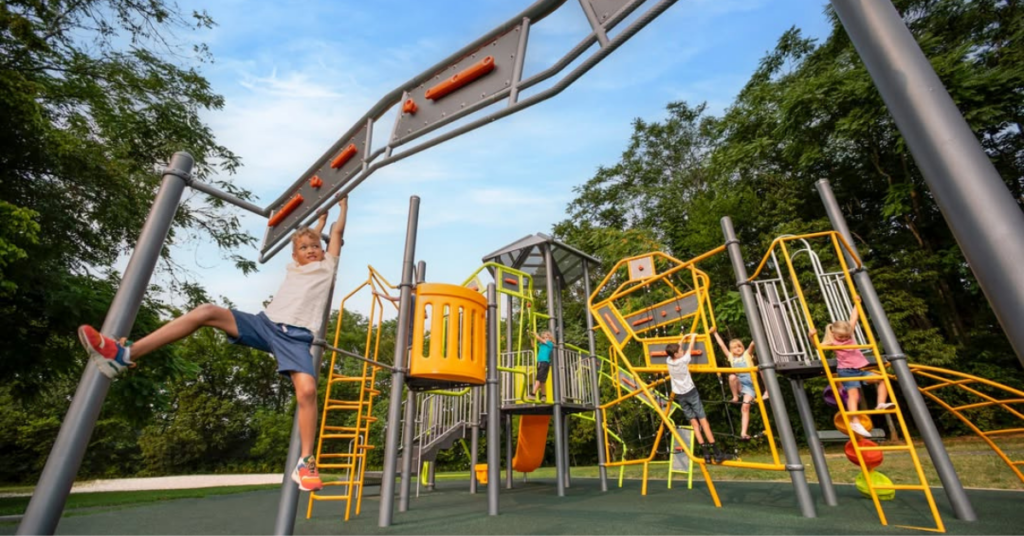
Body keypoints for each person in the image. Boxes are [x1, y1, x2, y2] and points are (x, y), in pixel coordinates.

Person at [78, 197, 350, 492]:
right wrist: (315, 226)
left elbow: (335, 234)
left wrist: (341, 207)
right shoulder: (294, 268)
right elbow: (309, 236)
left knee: (308, 391)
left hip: (296, 338)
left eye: (315, 247)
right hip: (266, 324)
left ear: (324, 252)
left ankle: (306, 461)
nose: (311, 250)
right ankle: (124, 354)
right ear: (295, 256)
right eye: (304, 248)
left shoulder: (328, 266)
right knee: (206, 311)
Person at [810, 295, 894, 438]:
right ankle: (854, 421)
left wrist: (857, 303)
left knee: (882, 379)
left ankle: (880, 404)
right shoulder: (832, 343)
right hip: (846, 372)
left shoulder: (849, 334)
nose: (844, 339)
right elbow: (818, 347)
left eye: (846, 337)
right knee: (853, 395)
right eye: (841, 337)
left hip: (860, 370)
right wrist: (811, 336)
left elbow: (854, 318)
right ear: (833, 333)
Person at [666, 333, 724, 464]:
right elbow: (689, 348)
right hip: (691, 393)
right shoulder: (683, 360)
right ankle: (716, 452)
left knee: (695, 425)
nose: (682, 350)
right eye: (680, 350)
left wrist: (682, 338)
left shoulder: (669, 361)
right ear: (676, 354)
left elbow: (678, 348)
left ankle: (706, 454)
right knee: (704, 422)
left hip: (680, 396)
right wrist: (692, 337)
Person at [711, 327, 756, 441]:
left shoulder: (747, 355)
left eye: (740, 346)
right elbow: (722, 346)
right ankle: (735, 396)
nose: (738, 349)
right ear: (731, 351)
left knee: (745, 407)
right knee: (731, 376)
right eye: (735, 347)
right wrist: (715, 333)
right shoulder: (731, 358)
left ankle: (743, 432)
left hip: (750, 386)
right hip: (740, 384)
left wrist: (759, 329)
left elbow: (752, 344)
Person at [530, 330, 554, 397]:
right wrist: (531, 337)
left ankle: (533, 394)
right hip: (540, 362)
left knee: (538, 379)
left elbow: (538, 338)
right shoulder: (541, 345)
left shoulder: (550, 344)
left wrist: (535, 334)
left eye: (546, 337)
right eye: (544, 337)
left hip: (544, 363)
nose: (545, 339)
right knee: (542, 381)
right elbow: (533, 345)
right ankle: (544, 396)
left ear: (550, 338)